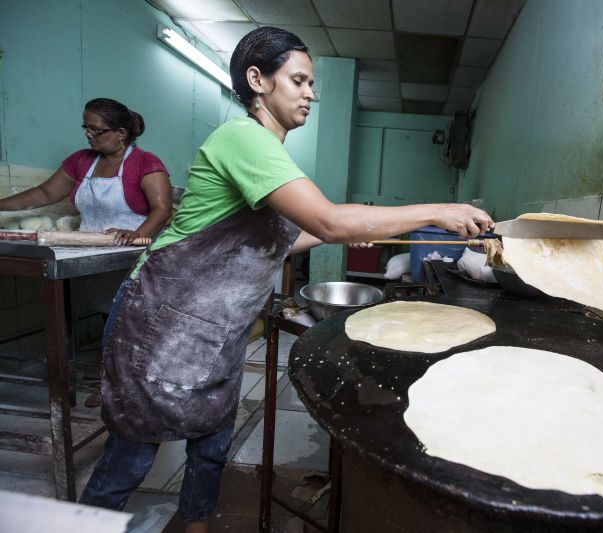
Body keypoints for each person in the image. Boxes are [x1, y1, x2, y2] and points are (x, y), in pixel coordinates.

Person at [78, 27, 492, 533]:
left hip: (215, 330)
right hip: (163, 321)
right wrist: (437, 212)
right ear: (258, 80)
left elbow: (281, 240)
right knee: (131, 457)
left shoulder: (269, 154)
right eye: (298, 80)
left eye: (312, 83)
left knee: (211, 449)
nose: (310, 93)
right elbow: (329, 221)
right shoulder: (241, 138)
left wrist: (346, 228)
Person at [0, 98, 172, 245]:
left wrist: (137, 235)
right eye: (86, 128)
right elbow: (44, 193)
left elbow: (162, 210)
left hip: (134, 251)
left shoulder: (146, 162)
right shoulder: (80, 160)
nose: (88, 135)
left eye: (96, 130)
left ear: (120, 133)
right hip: (89, 246)